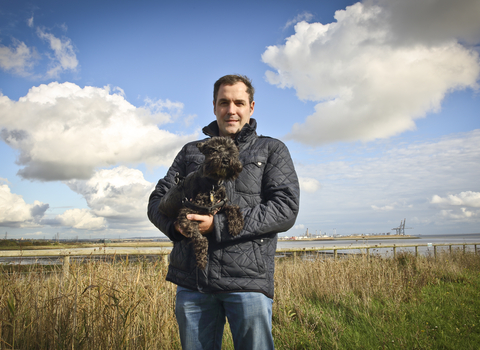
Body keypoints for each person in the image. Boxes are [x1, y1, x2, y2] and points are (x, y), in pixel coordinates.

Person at [148, 74, 300, 350]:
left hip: (248, 283)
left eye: (239, 102)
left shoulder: (271, 149)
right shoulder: (190, 152)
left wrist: (215, 226)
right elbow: (156, 201)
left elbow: (285, 209)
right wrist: (175, 228)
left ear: (251, 107)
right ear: (214, 106)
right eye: (224, 102)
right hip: (194, 283)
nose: (231, 110)